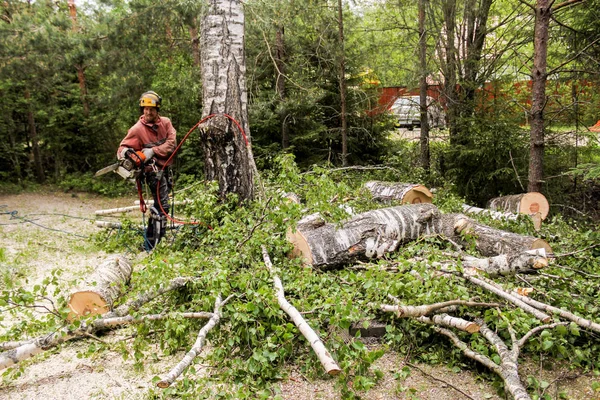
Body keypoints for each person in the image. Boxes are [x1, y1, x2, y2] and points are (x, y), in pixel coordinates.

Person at [117, 91, 176, 250]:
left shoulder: (166, 123)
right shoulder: (137, 129)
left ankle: (150, 242)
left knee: (160, 204)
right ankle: (153, 245)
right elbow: (121, 149)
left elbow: (171, 144)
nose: (148, 112)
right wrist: (129, 153)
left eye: (151, 109)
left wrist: (152, 151)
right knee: (163, 205)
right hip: (152, 172)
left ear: (158, 110)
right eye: (145, 109)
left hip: (166, 169)